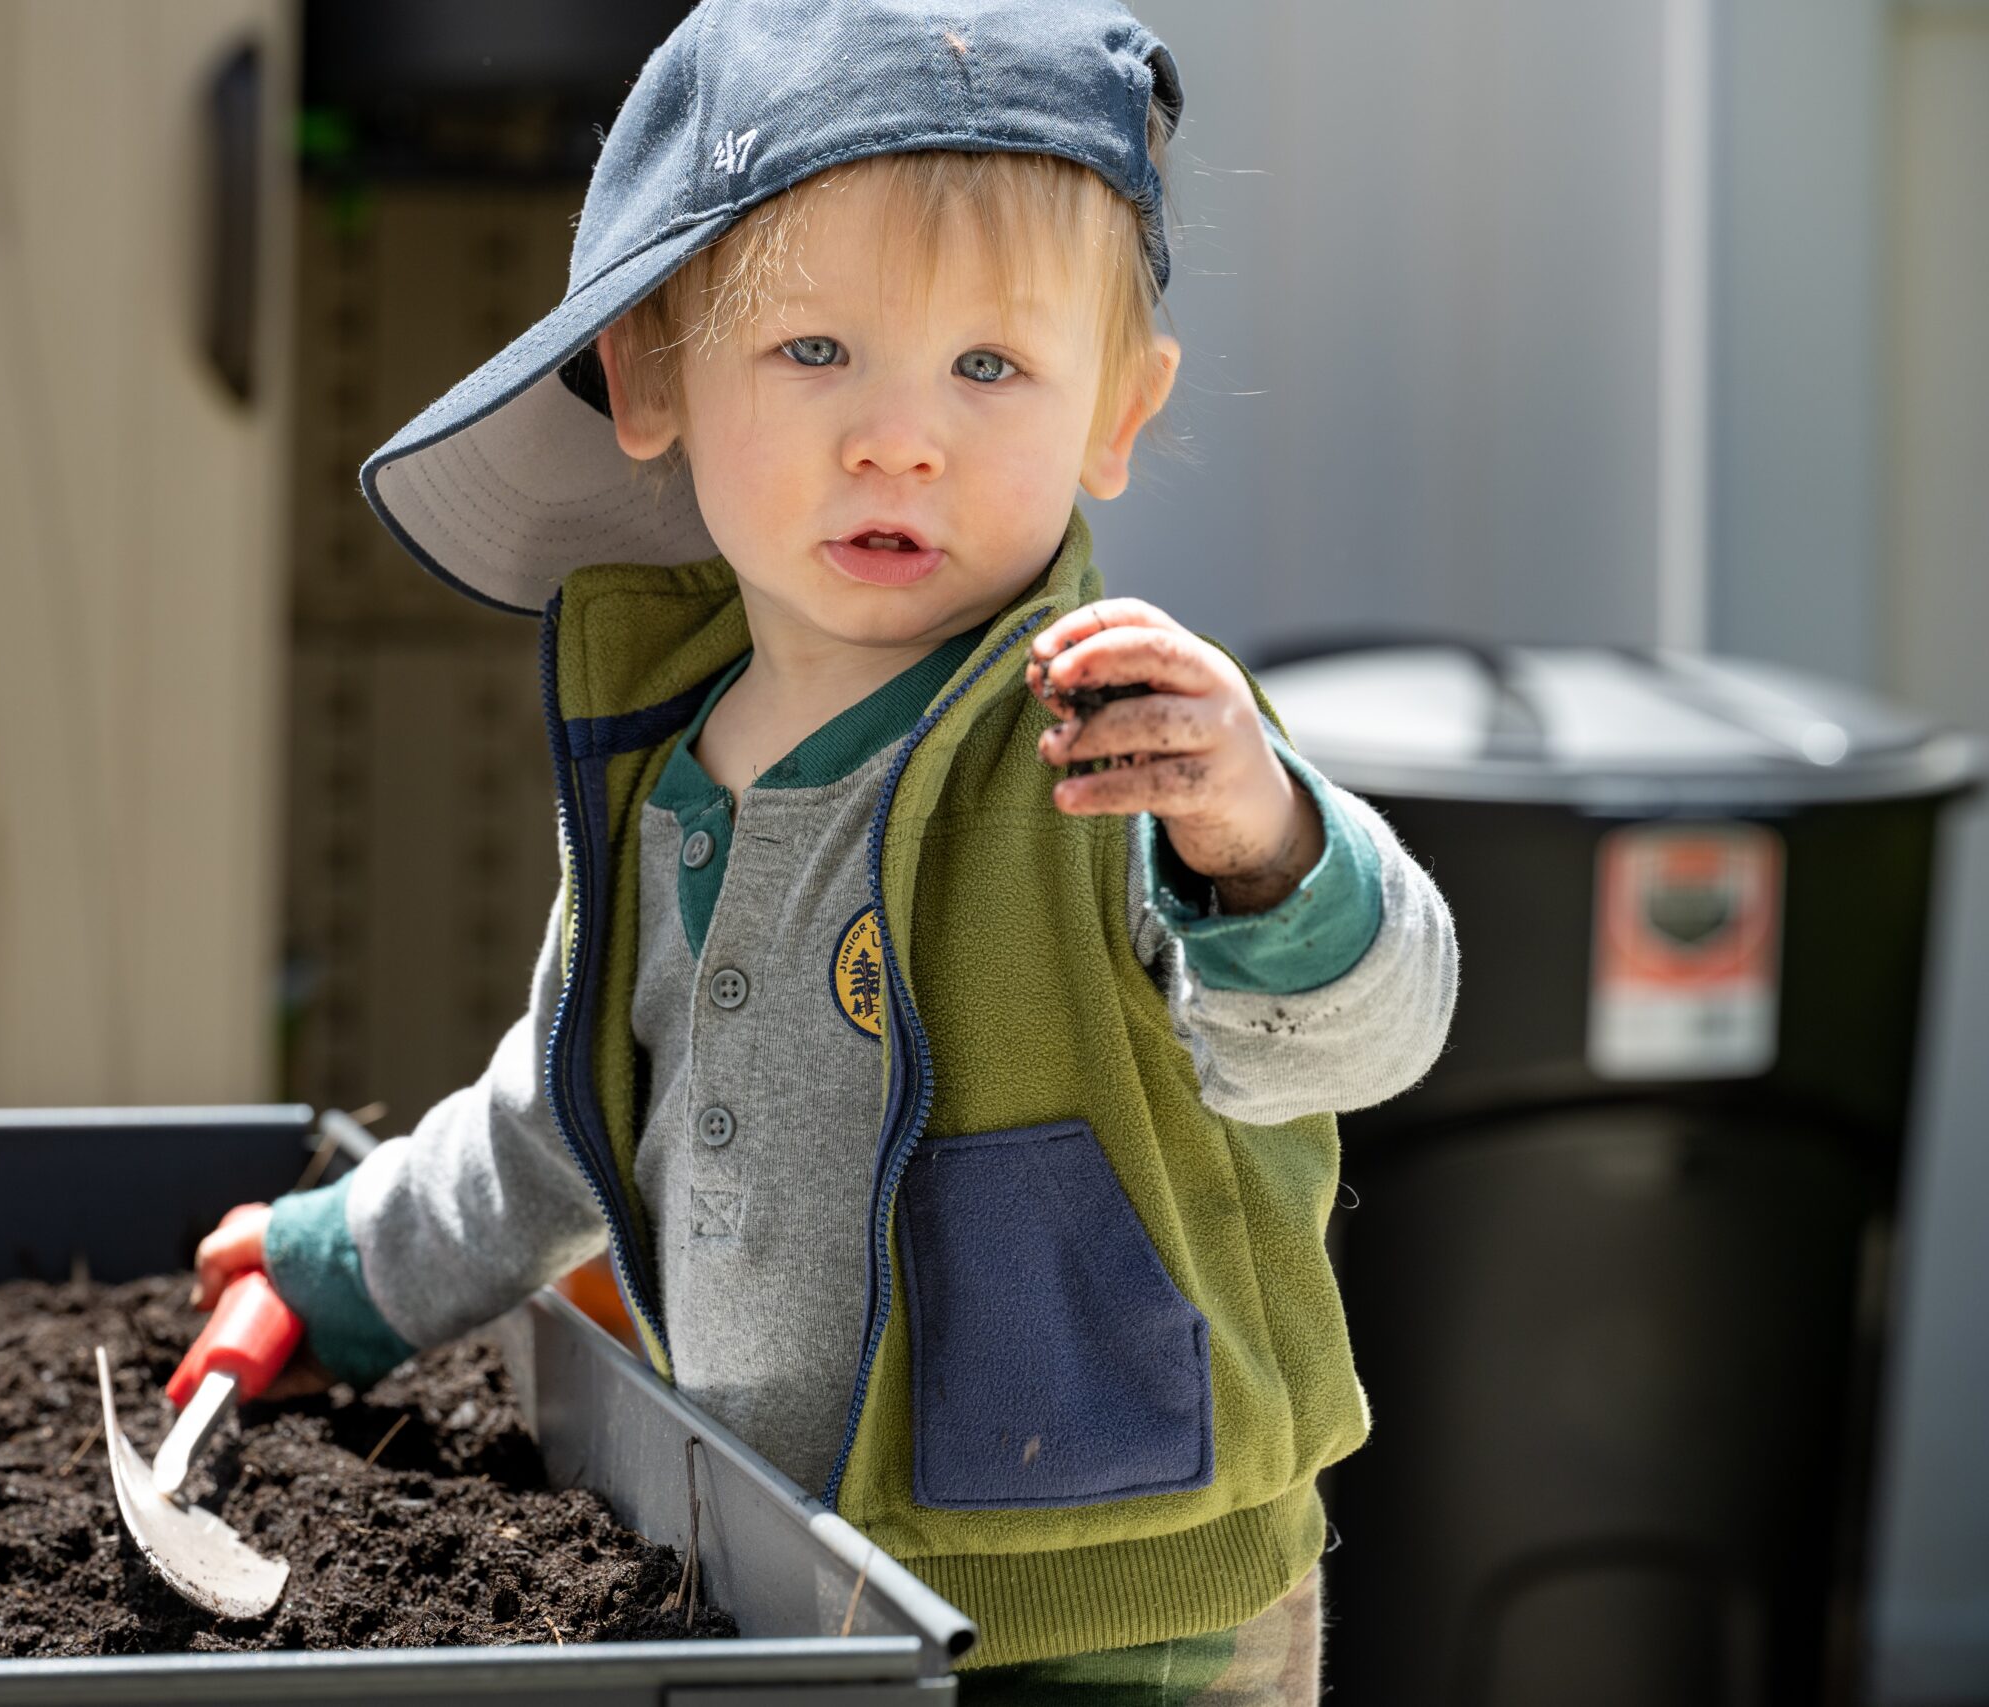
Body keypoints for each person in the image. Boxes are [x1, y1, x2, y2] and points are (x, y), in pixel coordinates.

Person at [196, 2, 1457, 1696]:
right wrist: (345, 1271)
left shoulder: (1123, 744)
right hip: (786, 1578)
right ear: (649, 373)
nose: (899, 436)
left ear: (1120, 412)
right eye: (814, 352)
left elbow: (1368, 1033)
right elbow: (566, 1114)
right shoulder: (662, 769)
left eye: (990, 366)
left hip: (1125, 1615)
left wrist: (1267, 847)